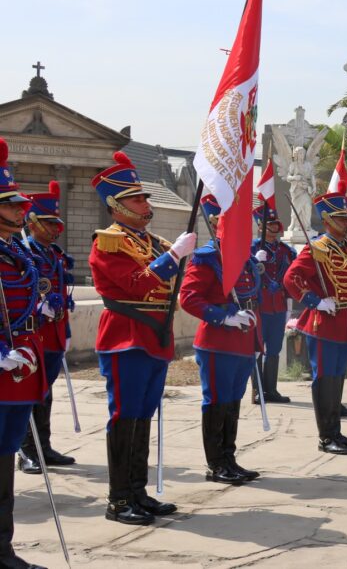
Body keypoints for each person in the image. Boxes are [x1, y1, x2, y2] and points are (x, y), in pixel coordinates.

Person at [90, 151, 191, 524]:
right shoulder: (109, 242)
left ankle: (138, 491)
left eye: (145, 197)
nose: (145, 203)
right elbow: (137, 282)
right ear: (115, 205)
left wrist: (178, 255)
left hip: (154, 337)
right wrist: (173, 257)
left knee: (143, 416)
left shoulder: (151, 242)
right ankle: (118, 500)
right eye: (137, 198)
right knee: (125, 415)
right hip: (126, 336)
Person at [179, 195, 263, 484]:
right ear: (216, 221)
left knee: (232, 401)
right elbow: (188, 298)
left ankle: (229, 457)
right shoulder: (207, 256)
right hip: (218, 341)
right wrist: (223, 316)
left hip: (243, 339)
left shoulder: (243, 255)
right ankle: (216, 464)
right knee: (216, 401)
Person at [284, 191, 347, 450]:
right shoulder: (317, 249)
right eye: (341, 219)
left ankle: (336, 432)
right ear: (327, 220)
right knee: (324, 379)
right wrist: (315, 301)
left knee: (336, 378)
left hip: (346, 321)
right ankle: (326, 437)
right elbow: (291, 278)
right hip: (324, 322)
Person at [0, 137, 50, 568]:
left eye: (20, 205)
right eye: (12, 205)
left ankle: (4, 549)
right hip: (2, 363)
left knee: (5, 456)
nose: (22, 210)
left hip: (20, 366)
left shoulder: (16, 249)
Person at [18, 181, 76, 474]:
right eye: (49, 222)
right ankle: (27, 451)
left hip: (54, 334)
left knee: (46, 392)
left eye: (56, 223)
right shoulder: (24, 252)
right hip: (34, 332)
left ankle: (44, 445)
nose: (55, 229)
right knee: (30, 391)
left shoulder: (53, 254)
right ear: (32, 222)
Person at [251, 200, 294, 404]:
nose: (275, 228)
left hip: (278, 305)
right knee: (258, 348)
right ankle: (258, 390)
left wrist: (288, 301)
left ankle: (271, 390)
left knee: (274, 349)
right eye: (271, 224)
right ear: (260, 226)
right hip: (260, 304)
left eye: (277, 224)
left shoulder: (284, 250)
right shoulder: (252, 249)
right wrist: (252, 262)